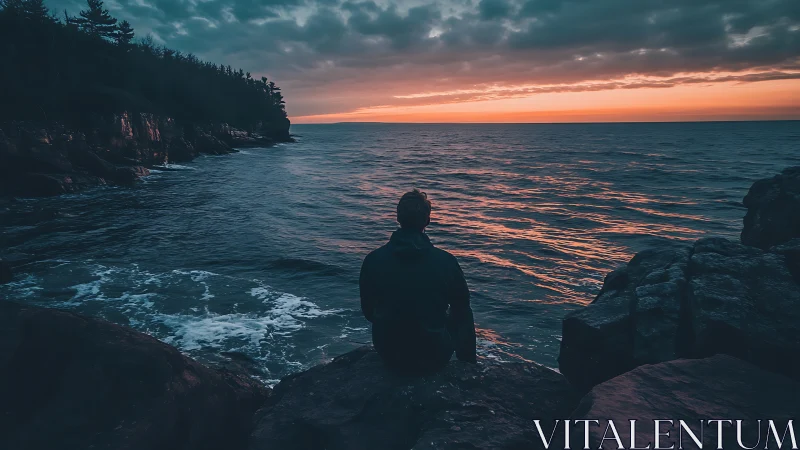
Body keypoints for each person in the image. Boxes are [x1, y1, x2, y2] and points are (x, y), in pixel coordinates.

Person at [359, 189, 476, 375]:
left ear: (398, 218)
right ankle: (468, 364)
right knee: (460, 310)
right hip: (433, 355)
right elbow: (462, 312)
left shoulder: (373, 260)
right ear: (427, 221)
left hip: (389, 352)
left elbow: (368, 311)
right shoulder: (446, 262)